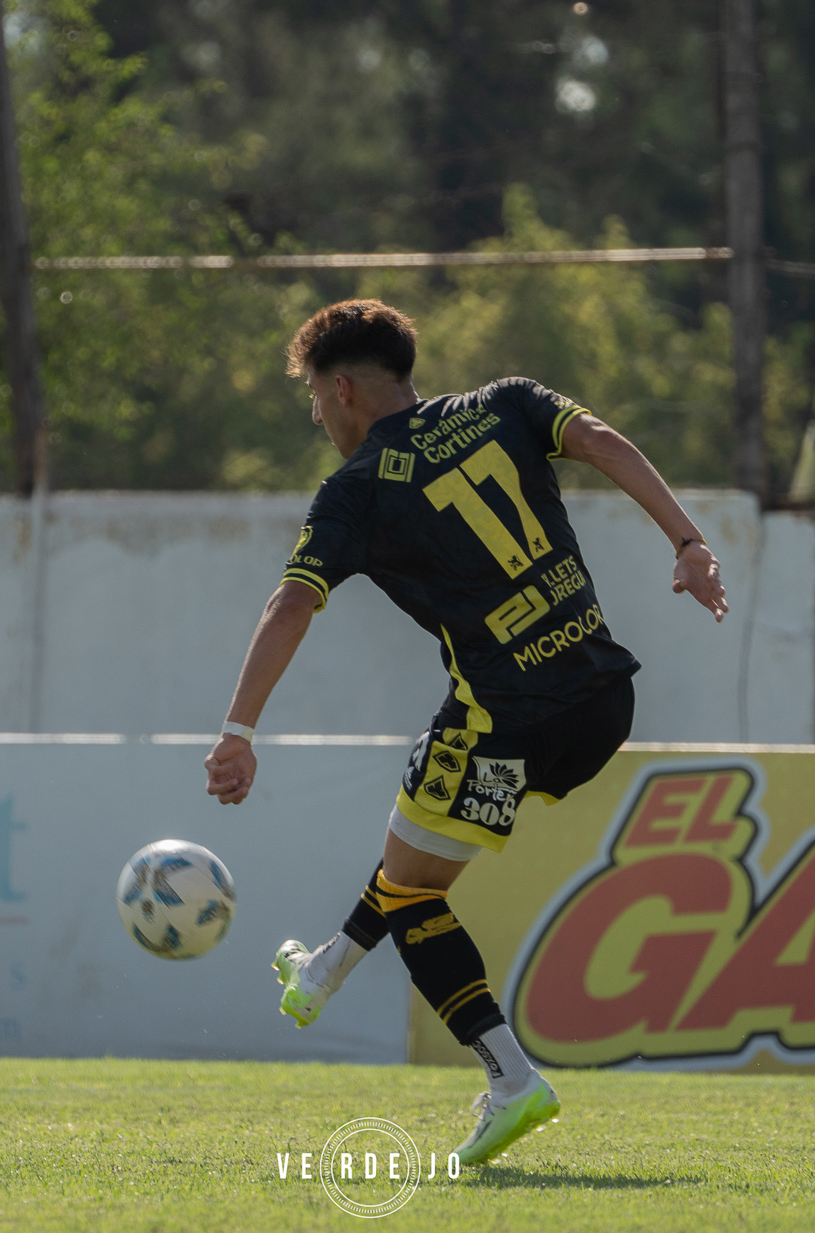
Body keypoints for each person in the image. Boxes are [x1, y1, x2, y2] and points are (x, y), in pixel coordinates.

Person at [203, 299, 727, 1166]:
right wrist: (688, 542)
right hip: (602, 699)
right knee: (416, 850)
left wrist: (237, 730)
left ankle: (511, 1077)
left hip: (503, 718)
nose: (318, 420)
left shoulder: (356, 488)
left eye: (313, 403)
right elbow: (602, 443)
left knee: (413, 893)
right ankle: (325, 967)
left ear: (342, 391)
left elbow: (292, 601)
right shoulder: (508, 400)